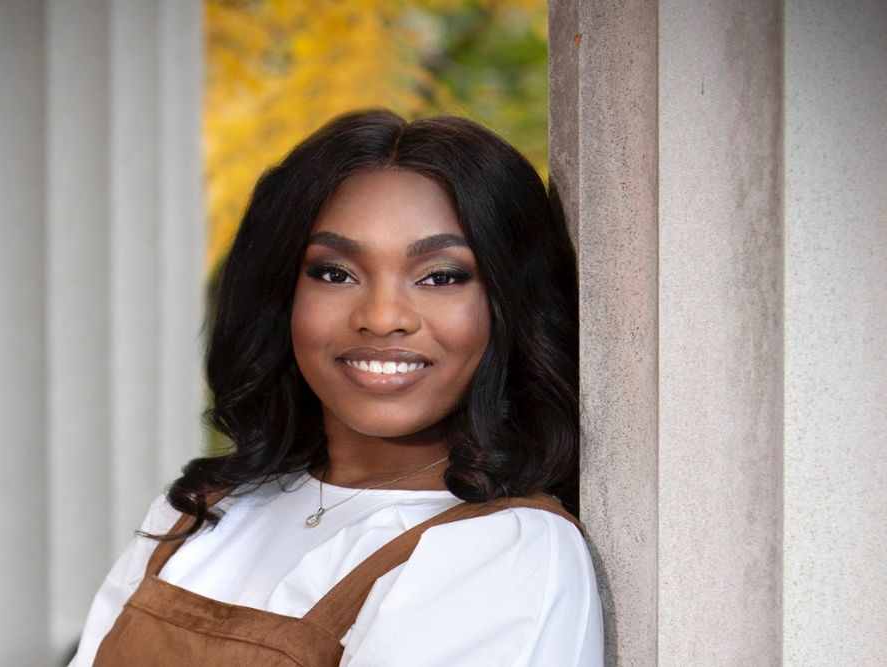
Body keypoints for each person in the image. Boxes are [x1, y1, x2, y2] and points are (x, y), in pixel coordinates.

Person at [70, 109, 603, 666]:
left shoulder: (504, 551)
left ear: (509, 306)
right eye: (335, 273)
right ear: (282, 296)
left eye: (441, 276)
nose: (381, 316)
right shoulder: (200, 512)